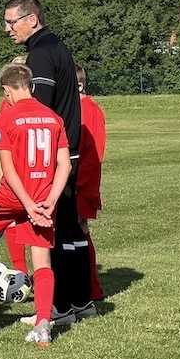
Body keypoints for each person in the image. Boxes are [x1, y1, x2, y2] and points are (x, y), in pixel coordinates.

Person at [0, 0, 93, 323]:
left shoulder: (40, 55)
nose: (7, 28)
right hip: (67, 153)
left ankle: (59, 307)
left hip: (51, 158)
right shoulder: (58, 46)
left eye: (11, 22)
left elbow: (39, 118)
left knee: (53, 233)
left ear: (32, 20)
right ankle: (82, 302)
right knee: (72, 232)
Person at [0, 63, 70, 346]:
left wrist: (26, 204)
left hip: (14, 197)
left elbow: (8, 171)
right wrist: (50, 201)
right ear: (31, 87)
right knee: (42, 261)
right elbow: (65, 165)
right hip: (44, 199)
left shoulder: (6, 119)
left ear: (6, 90)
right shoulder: (54, 118)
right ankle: (43, 326)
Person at [76, 64, 106, 301]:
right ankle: (82, 287)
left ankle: (92, 289)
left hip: (81, 184)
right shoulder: (75, 108)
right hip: (73, 181)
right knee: (74, 231)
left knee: (80, 229)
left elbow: (94, 153)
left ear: (79, 86)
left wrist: (78, 184)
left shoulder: (90, 110)